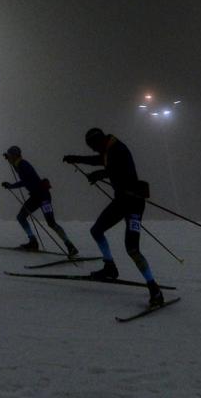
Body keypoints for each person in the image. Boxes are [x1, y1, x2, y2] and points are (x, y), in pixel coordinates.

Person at [63, 127, 165, 306]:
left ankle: (154, 289)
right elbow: (100, 161)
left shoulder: (118, 149)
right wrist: (76, 159)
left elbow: (116, 170)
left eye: (92, 146)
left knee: (132, 249)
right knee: (96, 231)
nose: (93, 150)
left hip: (133, 203)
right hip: (121, 202)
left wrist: (98, 174)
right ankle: (110, 266)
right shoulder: (109, 149)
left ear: (99, 141)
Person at [1, 145, 79, 256]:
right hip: (40, 196)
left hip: (41, 197)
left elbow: (25, 181)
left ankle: (66, 245)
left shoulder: (23, 165)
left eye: (10, 155)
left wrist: (11, 186)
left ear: (14, 155)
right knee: (26, 218)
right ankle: (67, 245)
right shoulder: (19, 164)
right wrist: (9, 160)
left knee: (36, 220)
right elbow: (17, 169)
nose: (9, 158)